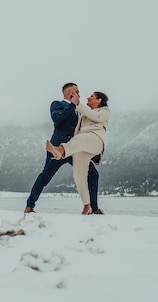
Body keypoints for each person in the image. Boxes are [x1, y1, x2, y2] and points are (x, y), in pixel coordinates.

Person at [24, 83, 104, 215]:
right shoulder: (56, 104)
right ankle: (29, 206)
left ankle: (94, 208)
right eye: (77, 91)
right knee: (45, 176)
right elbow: (57, 119)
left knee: (93, 173)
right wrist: (72, 105)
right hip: (57, 148)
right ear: (70, 92)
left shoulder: (79, 110)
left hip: (74, 150)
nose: (79, 94)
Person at [46, 91, 110, 215]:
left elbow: (95, 117)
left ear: (99, 100)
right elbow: (77, 131)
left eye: (91, 96)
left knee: (79, 139)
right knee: (78, 174)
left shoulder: (105, 111)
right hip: (82, 144)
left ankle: (60, 151)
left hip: (96, 139)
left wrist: (78, 104)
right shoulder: (83, 116)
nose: (88, 97)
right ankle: (87, 206)